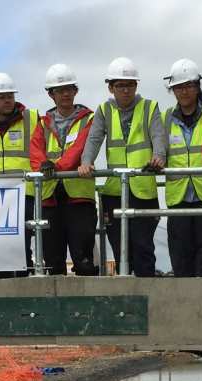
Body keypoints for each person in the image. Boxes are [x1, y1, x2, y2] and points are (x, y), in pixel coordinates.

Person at [79, 57, 167, 277]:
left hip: (143, 190)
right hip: (114, 191)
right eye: (120, 86)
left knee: (144, 247)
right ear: (111, 87)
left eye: (129, 85)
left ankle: (147, 294)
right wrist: (86, 162)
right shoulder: (104, 110)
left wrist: (158, 156)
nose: (125, 90)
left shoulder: (149, 107)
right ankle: (125, 298)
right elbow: (94, 139)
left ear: (136, 86)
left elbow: (158, 135)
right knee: (120, 249)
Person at [29, 63, 100, 276]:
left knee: (84, 257)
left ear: (76, 91)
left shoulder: (89, 118)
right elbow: (35, 150)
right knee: (52, 259)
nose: (65, 94)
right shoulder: (42, 122)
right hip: (50, 197)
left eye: (69, 89)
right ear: (51, 95)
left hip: (79, 196)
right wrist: (43, 165)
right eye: (60, 90)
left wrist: (54, 167)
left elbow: (80, 148)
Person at [161, 59, 202, 277]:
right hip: (178, 198)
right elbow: (159, 150)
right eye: (179, 87)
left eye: (188, 86)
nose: (184, 91)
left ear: (197, 87)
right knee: (180, 255)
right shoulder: (166, 118)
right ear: (173, 90)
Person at [0, 73, 39, 278]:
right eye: (1, 97)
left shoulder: (32, 118)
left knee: (24, 243)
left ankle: (26, 287)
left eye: (10, 96)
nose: (7, 100)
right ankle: (2, 287)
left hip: (25, 191)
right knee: (0, 247)